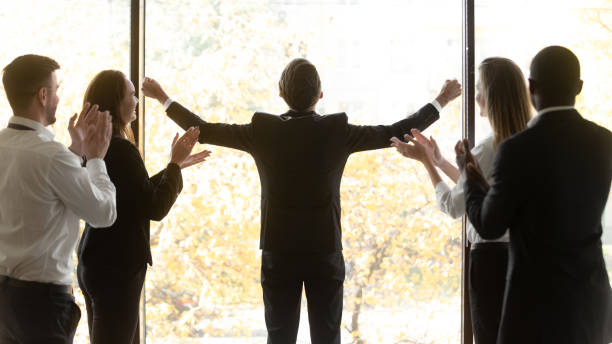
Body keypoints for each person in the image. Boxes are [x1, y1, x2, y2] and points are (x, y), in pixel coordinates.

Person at [141, 58, 461, 344]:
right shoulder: (337, 130)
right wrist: (441, 99)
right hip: (325, 251)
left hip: (278, 253)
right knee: (327, 338)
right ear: (320, 95)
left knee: (279, 338)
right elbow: (397, 130)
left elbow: (205, 130)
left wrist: (162, 98)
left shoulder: (262, 130)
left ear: (281, 94)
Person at [459, 46, 612, 343]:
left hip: (534, 308)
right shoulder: (605, 142)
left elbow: (489, 225)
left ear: (531, 87)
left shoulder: (516, 149)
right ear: (578, 88)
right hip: (592, 302)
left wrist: (469, 177)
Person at [391, 57, 531, 344]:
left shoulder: (486, 149)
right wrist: (442, 162)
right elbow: (481, 191)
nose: (476, 95)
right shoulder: (526, 144)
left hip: (490, 261)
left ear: (493, 96)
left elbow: (453, 206)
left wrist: (426, 163)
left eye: (479, 88)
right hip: (526, 256)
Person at [76, 70, 210, 344]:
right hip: (118, 266)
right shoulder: (122, 149)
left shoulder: (96, 148)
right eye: (131, 94)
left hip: (94, 259)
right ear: (116, 103)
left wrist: (175, 166)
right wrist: (173, 165)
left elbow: (133, 196)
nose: (137, 100)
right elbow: (154, 207)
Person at [0, 54, 117, 344]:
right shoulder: (52, 156)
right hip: (41, 303)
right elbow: (104, 213)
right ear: (43, 95)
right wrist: (96, 159)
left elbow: (37, 191)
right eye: (57, 88)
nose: (58, 96)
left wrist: (75, 152)